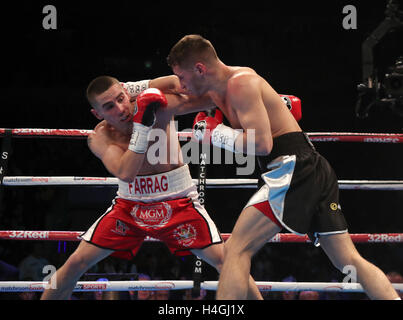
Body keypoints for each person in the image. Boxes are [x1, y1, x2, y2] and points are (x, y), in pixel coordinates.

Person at [166, 34, 401, 300]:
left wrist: (215, 134)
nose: (181, 84)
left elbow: (263, 144)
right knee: (347, 260)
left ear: (200, 69)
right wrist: (131, 89)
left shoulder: (241, 84)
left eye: (183, 77)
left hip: (291, 169)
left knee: (235, 251)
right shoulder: (223, 87)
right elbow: (173, 91)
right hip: (309, 167)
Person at [41, 75, 262, 300]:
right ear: (98, 114)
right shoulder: (100, 137)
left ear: (128, 93)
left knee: (226, 261)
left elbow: (198, 93)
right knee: (76, 263)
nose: (120, 109)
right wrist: (142, 127)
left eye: (121, 99)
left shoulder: (158, 106)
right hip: (129, 205)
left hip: (178, 200)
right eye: (109, 106)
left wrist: (260, 104)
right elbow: (125, 172)